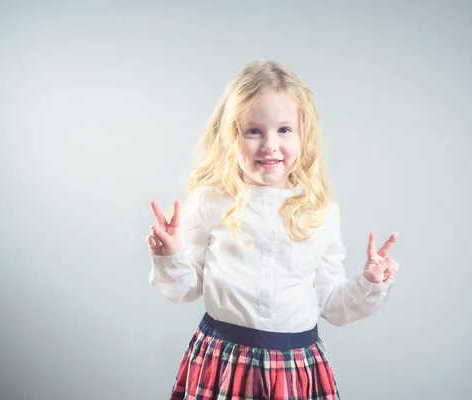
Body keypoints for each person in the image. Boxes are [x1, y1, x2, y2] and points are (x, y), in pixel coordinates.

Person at [146, 59, 400, 400]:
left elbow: (331, 302)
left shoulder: (319, 211)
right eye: (253, 131)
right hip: (224, 362)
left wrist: (370, 283)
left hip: (296, 368)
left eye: (283, 130)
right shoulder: (210, 201)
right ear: (230, 135)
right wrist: (170, 256)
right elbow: (186, 288)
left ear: (303, 135)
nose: (269, 145)